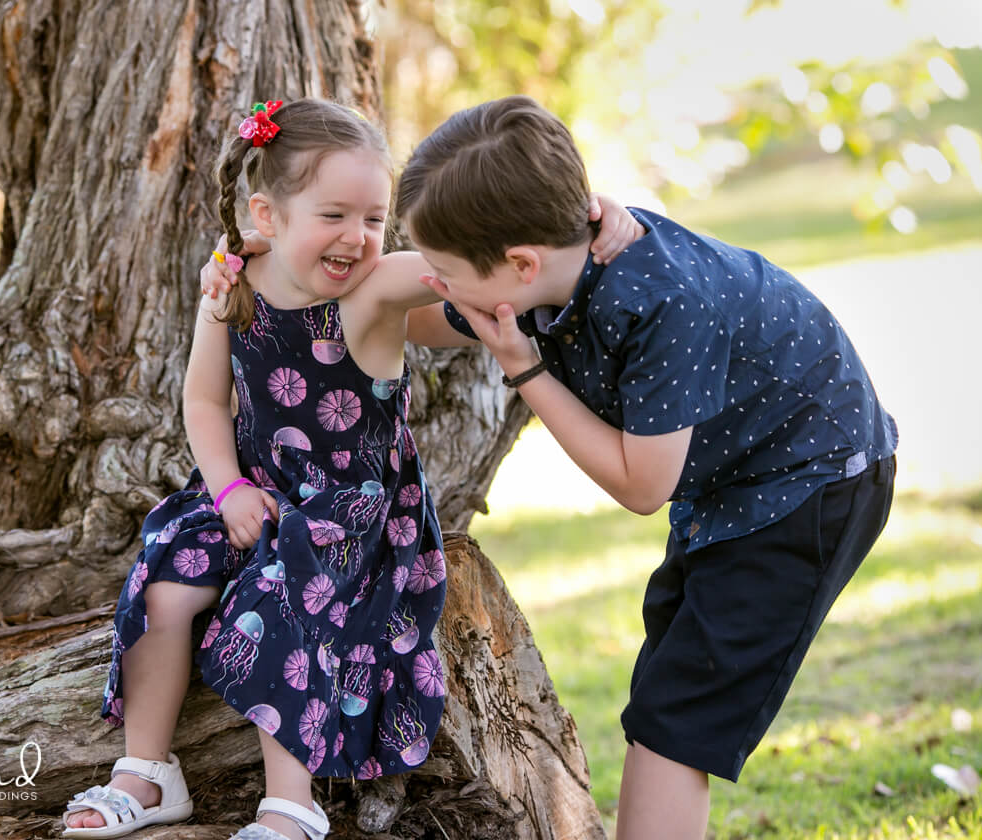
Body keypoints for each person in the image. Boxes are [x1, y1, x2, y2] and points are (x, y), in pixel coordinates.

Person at [61, 98, 639, 840]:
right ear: (266, 215)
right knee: (164, 582)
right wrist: (229, 487)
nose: (357, 238)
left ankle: (291, 804)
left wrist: (595, 216)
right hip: (256, 492)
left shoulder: (376, 288)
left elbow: (490, 257)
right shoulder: (233, 277)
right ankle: (146, 773)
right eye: (334, 215)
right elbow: (204, 401)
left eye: (374, 218)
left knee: (280, 595)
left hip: (353, 512)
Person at [391, 96, 898, 840]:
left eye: (440, 268)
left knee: (681, 714)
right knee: (665, 690)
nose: (429, 281)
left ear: (519, 264)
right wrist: (311, 285)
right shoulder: (545, 268)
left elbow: (640, 486)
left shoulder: (663, 303)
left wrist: (526, 370)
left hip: (811, 484)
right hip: (735, 484)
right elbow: (409, 313)